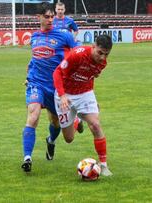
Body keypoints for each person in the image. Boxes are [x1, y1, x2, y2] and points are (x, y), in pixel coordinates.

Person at [21, 2, 82, 173]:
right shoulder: (34, 37)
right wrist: (28, 75)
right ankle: (27, 157)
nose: (50, 20)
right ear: (38, 17)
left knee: (55, 122)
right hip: (36, 83)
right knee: (33, 115)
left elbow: (79, 52)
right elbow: (35, 58)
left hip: (56, 87)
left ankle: (51, 141)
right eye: (46, 17)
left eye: (51, 16)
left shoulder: (64, 35)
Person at [53, 35, 113, 176]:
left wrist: (92, 99)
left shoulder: (102, 64)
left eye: (106, 54)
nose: (102, 57)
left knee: (96, 125)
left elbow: (90, 76)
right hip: (64, 95)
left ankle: (103, 165)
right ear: (93, 46)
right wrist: (62, 96)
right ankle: (77, 120)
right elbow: (57, 73)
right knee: (68, 139)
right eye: (100, 52)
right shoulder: (77, 55)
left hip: (85, 93)